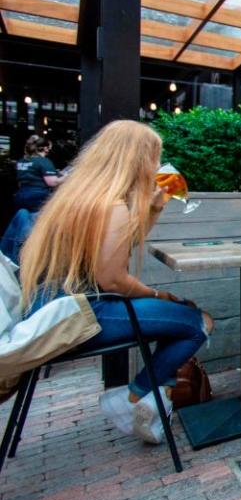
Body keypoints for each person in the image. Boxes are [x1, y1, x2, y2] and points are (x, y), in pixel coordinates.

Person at [19, 120, 215, 444]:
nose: (156, 166)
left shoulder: (78, 198)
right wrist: (158, 294)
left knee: (176, 315)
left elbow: (117, 252)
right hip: (78, 316)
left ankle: (151, 398)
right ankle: (133, 397)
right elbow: (112, 279)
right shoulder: (111, 206)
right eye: (154, 157)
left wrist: (152, 210)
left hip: (49, 311)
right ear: (138, 160)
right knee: (197, 322)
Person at [13, 135, 64, 212]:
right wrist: (68, 177)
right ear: (46, 148)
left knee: (24, 219)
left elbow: (29, 174)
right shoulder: (44, 161)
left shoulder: (21, 161)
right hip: (38, 197)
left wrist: (55, 172)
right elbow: (52, 182)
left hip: (20, 195)